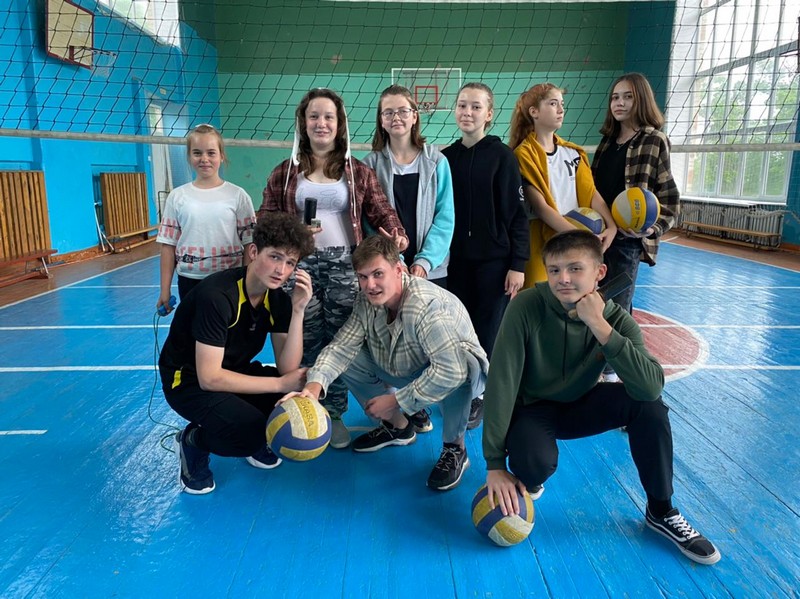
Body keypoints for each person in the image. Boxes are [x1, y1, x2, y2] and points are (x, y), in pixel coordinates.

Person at [482, 229, 721, 566]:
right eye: (554, 270)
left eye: (575, 268)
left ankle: (661, 510)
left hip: (583, 403)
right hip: (533, 408)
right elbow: (501, 383)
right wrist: (494, 464)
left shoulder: (615, 319)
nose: (563, 279)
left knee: (649, 408)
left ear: (600, 272)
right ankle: (528, 478)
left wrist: (600, 326)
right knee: (534, 465)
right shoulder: (527, 306)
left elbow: (650, 386)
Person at [258, 88, 409, 451]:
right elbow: (264, 220)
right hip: (301, 266)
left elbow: (382, 211)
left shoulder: (357, 171)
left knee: (342, 342)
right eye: (314, 116)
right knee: (309, 340)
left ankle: (337, 410)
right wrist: (293, 230)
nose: (321, 123)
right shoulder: (285, 172)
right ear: (303, 123)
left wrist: (397, 234)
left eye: (329, 117)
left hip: (345, 265)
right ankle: (319, 410)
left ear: (340, 124)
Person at [282, 235, 488, 492]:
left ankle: (455, 448)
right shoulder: (365, 300)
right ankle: (398, 427)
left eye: (378, 274)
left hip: (452, 374)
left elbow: (451, 371)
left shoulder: (427, 307)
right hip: (408, 365)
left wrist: (396, 400)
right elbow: (341, 347)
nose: (370, 285)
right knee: (351, 355)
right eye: (363, 277)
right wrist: (313, 387)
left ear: (398, 270)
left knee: (464, 367)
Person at [159, 213, 315, 495]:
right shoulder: (218, 296)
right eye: (275, 257)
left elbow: (287, 368)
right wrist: (280, 383)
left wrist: (298, 310)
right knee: (249, 433)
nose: (281, 270)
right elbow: (209, 378)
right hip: (187, 381)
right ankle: (193, 441)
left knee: (295, 399)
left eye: (290, 263)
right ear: (253, 252)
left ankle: (255, 438)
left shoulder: (277, 298)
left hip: (232, 371)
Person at [363, 84, 455, 435]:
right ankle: (405, 406)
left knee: (426, 341)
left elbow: (445, 217)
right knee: (392, 341)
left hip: (430, 269)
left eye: (403, 110)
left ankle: (422, 400)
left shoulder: (437, 161)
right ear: (381, 120)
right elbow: (369, 217)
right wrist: (395, 258)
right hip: (390, 269)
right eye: (388, 112)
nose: (396, 117)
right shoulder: (371, 164)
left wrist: (424, 262)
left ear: (415, 116)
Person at [442, 82, 529, 430]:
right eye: (462, 105)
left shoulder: (502, 156)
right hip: (456, 262)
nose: (468, 112)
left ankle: (479, 394)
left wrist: (518, 264)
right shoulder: (446, 158)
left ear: (489, 114)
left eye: (476, 107)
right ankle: (460, 385)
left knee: (486, 332)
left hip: (494, 262)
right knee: (457, 331)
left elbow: (518, 216)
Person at [509, 83, 617, 286]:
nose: (561, 109)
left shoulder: (573, 153)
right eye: (553, 103)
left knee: (577, 295)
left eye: (562, 104)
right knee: (541, 297)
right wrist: (580, 236)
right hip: (543, 241)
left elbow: (591, 193)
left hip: (577, 240)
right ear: (534, 112)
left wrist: (611, 226)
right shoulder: (523, 154)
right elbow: (541, 207)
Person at [591, 72, 679, 315]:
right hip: (598, 236)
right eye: (615, 97)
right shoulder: (607, 142)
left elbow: (670, 197)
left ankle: (621, 341)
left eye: (628, 97)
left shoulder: (655, 140)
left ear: (641, 99)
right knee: (591, 305)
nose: (619, 103)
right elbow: (592, 187)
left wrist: (653, 228)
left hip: (626, 241)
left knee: (615, 311)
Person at [156, 124, 256, 312]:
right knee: (193, 328)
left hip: (229, 279)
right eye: (197, 153)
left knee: (227, 328)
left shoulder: (238, 195)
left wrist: (246, 283)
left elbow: (249, 244)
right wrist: (164, 290)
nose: (204, 159)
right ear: (189, 156)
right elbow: (168, 246)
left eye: (211, 153)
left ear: (221, 156)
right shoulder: (177, 197)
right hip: (189, 280)